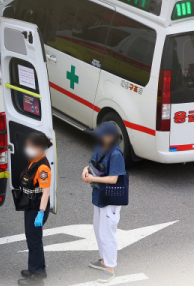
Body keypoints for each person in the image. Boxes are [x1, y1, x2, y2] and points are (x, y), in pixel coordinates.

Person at [82, 122, 126, 284]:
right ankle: (103, 261)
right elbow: (91, 163)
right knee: (98, 228)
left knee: (107, 231)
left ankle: (110, 268)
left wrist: (92, 178)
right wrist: (85, 170)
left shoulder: (116, 154)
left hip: (111, 198)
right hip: (99, 195)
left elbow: (113, 179)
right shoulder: (100, 147)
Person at [17, 130, 53, 286]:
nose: (27, 148)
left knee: (34, 241)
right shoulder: (34, 160)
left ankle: (37, 277)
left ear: (38, 147)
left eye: (29, 146)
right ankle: (36, 269)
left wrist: (41, 213)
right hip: (30, 207)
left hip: (37, 209)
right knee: (32, 240)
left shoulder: (43, 168)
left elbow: (46, 193)